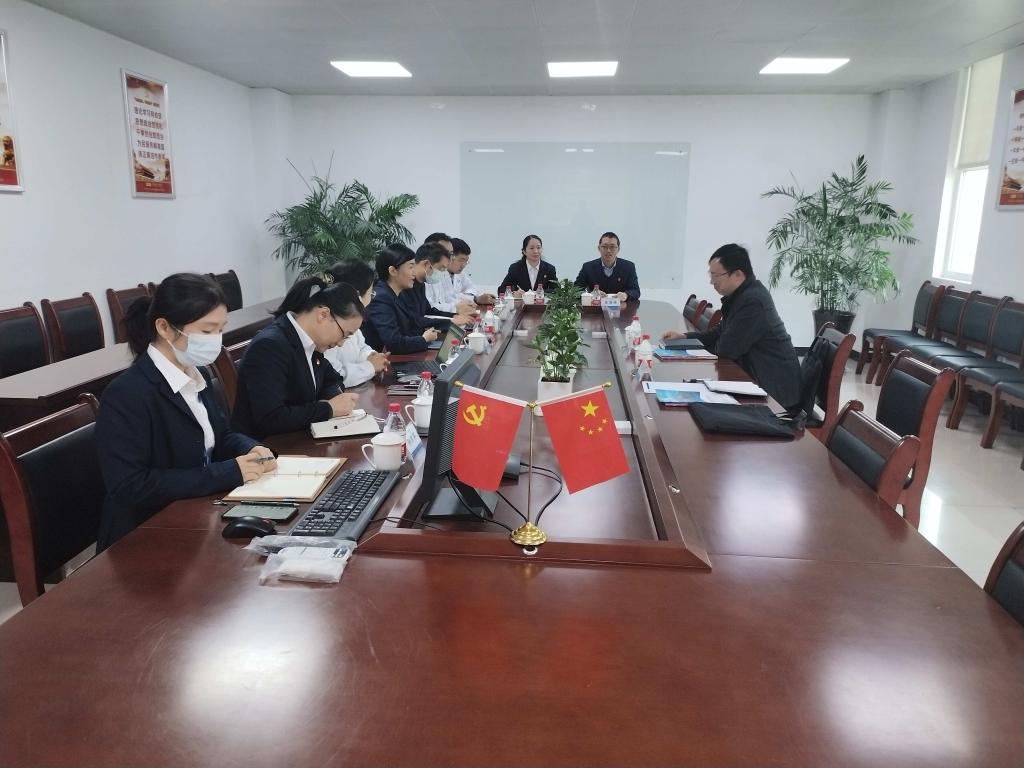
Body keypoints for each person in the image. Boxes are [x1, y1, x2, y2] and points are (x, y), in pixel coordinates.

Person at [95, 273, 276, 550]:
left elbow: (219, 436)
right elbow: (130, 486)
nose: (216, 340)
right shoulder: (127, 394)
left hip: (198, 514)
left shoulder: (196, 374)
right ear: (165, 328)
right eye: (207, 331)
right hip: (145, 537)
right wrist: (228, 472)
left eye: (220, 330)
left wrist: (251, 448)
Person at [662, 244, 801, 409]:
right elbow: (721, 332)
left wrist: (716, 342)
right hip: (755, 378)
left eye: (715, 275)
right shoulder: (741, 296)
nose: (711, 281)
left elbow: (726, 350)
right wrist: (685, 337)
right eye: (710, 275)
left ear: (738, 274)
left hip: (774, 393)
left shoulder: (753, 301)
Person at [232, 278, 364, 439]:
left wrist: (335, 399)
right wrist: (328, 409)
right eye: (345, 334)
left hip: (297, 439)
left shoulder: (311, 343)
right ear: (323, 314)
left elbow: (332, 379)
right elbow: (270, 418)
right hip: (265, 446)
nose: (341, 343)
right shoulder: (270, 346)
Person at [362, 243, 441, 353]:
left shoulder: (398, 293)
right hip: (379, 359)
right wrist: (424, 339)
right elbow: (394, 343)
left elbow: (413, 324)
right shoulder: (380, 298)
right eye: (410, 267)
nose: (414, 272)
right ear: (393, 271)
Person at [323, 259, 391, 387]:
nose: (372, 297)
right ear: (357, 295)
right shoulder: (330, 325)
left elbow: (362, 347)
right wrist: (370, 367)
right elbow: (335, 376)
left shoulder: (351, 319)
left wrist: (372, 356)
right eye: (371, 293)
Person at [401, 242, 475, 328]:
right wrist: (451, 321)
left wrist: (453, 316)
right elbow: (415, 320)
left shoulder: (421, 284)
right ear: (426, 264)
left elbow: (429, 311)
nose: (443, 273)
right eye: (441, 268)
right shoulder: (407, 285)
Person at [574, 231, 640, 301]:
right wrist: (591, 294)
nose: (608, 250)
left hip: (621, 306)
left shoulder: (629, 267)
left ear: (618, 249)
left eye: (612, 247)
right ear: (599, 248)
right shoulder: (587, 267)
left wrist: (626, 295)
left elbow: (635, 291)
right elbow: (575, 291)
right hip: (595, 306)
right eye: (604, 247)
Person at [450, 238, 496, 306]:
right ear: (450, 257)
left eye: (466, 261)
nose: (463, 265)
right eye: (461, 260)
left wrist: (473, 297)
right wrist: (475, 299)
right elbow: (449, 298)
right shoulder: (440, 276)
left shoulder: (460, 274)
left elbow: (473, 288)